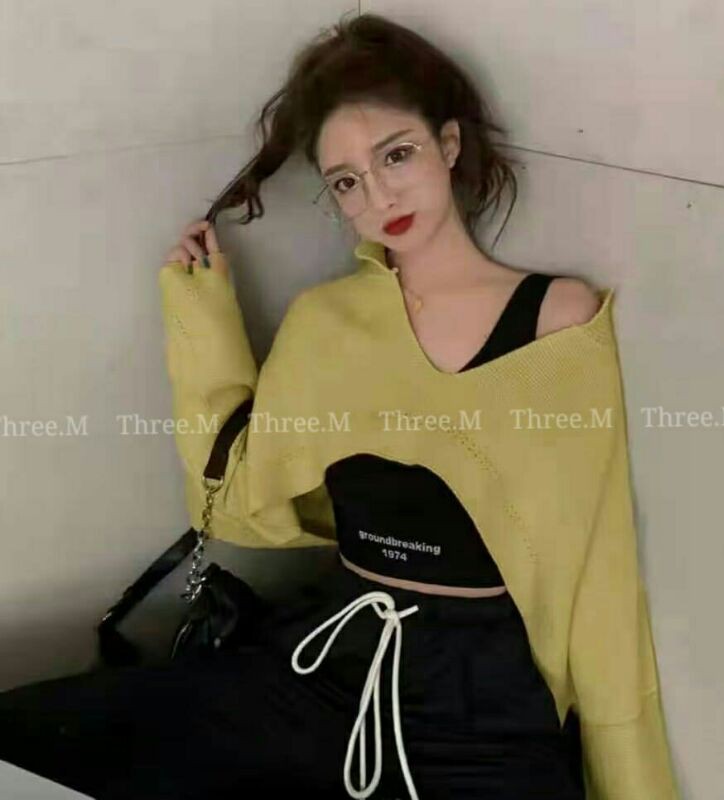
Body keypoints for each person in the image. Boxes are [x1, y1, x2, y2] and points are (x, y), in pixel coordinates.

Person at [0, 12, 679, 800]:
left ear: (448, 145)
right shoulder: (328, 323)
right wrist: (203, 317)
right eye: (347, 181)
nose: (378, 194)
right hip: (326, 658)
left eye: (396, 154)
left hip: (484, 700)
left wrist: (627, 774)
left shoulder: (554, 321)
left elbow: (596, 572)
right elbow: (239, 503)